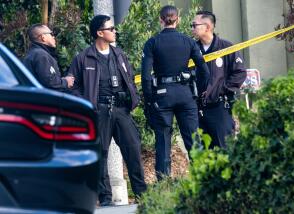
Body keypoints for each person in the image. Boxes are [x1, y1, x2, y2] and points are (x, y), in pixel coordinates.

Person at [68, 15, 146, 206]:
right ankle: (105, 199)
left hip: (121, 109)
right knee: (100, 154)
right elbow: (72, 84)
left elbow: (130, 78)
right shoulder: (83, 57)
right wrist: (86, 103)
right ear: (99, 33)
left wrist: (132, 98)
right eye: (111, 29)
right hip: (99, 111)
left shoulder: (119, 54)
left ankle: (143, 195)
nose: (114, 31)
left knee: (133, 149)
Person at [141, 5, 210, 180]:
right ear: (178, 19)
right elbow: (204, 70)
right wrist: (199, 92)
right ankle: (202, 181)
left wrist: (149, 101)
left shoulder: (152, 42)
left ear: (160, 20)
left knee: (163, 142)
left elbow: (146, 77)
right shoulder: (188, 41)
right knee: (194, 140)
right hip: (186, 95)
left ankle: (163, 184)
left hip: (163, 96)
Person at [191, 11, 247, 148]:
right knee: (202, 157)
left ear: (208, 27)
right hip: (197, 110)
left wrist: (220, 90)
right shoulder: (192, 49)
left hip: (220, 108)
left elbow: (239, 73)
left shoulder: (226, 48)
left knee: (224, 152)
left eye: (194, 25)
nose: (192, 29)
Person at [24, 24, 74, 91]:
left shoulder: (34, 53)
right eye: (51, 34)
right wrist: (66, 82)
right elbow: (50, 84)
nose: (54, 37)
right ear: (43, 37)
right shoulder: (41, 55)